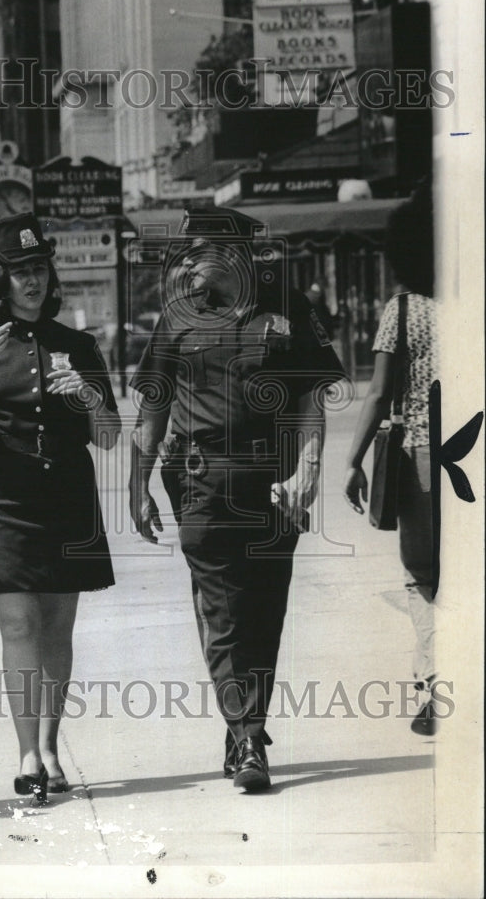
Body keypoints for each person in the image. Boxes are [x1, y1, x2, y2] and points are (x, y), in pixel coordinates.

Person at [129, 207, 347, 792]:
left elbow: (308, 400)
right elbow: (153, 404)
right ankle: (250, 735)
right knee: (223, 609)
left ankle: (241, 725)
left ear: (233, 253)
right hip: (201, 480)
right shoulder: (176, 317)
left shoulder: (289, 308)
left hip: (273, 480)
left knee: (263, 609)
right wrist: (137, 481)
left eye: (198, 250)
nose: (189, 261)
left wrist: (309, 468)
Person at [0, 212, 121, 804]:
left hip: (66, 501)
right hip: (2, 505)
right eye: (20, 271)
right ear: (0, 280)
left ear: (51, 277)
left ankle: (51, 745)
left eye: (39, 269)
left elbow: (108, 436)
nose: (31, 281)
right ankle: (27, 754)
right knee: (18, 624)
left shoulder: (79, 346)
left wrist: (92, 396)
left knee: (57, 629)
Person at [343, 188, 438, 735]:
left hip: (424, 460)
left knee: (422, 577)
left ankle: (435, 684)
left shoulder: (401, 312)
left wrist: (353, 461)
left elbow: (379, 395)